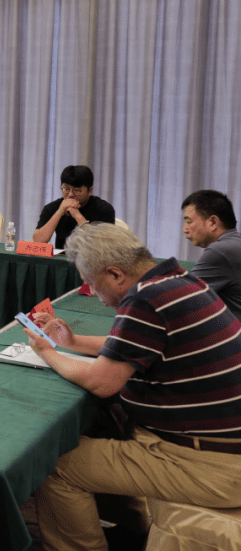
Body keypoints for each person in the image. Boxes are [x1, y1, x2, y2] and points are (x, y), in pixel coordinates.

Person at [24, 223, 241, 551]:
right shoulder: (179, 279)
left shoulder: (146, 299)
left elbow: (100, 382)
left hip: (207, 464)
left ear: (114, 273)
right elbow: (133, 342)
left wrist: (47, 352)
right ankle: (133, 528)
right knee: (109, 423)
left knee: (56, 465)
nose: (94, 294)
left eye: (91, 283)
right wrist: (72, 342)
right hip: (221, 448)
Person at [182, 189, 241, 320]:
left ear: (213, 222)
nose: (185, 229)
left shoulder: (221, 250)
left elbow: (182, 296)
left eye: (189, 221)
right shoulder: (235, 243)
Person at [33, 165, 115, 249]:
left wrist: (77, 215)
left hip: (91, 256)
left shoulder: (104, 209)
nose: (70, 194)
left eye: (76, 190)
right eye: (66, 189)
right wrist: (59, 212)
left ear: (90, 191)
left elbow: (101, 246)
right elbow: (38, 241)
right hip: (62, 256)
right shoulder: (52, 207)